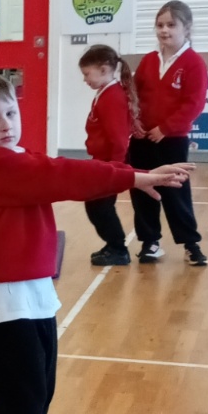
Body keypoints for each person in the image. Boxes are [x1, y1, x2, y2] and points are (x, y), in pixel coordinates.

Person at [0, 71, 191, 414]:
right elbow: (62, 175)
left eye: (10, 113)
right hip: (5, 303)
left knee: (38, 395)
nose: (4, 124)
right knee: (21, 404)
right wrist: (133, 176)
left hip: (34, 293)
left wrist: (130, 176)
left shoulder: (15, 156)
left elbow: (56, 169)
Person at [130, 0, 208, 266]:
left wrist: (165, 128)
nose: (164, 30)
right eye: (160, 25)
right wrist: (135, 122)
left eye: (171, 25)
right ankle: (150, 242)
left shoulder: (194, 63)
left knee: (176, 193)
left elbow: (194, 103)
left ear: (187, 28)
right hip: (142, 139)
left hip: (172, 140)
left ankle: (190, 244)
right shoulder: (148, 61)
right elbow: (135, 95)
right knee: (143, 190)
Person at [79, 43, 139, 266]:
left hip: (109, 163)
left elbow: (119, 138)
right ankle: (113, 245)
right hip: (102, 161)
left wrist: (115, 168)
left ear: (104, 70)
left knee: (99, 206)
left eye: (87, 74)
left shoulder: (112, 97)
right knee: (97, 205)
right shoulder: (104, 94)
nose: (85, 79)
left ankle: (118, 249)